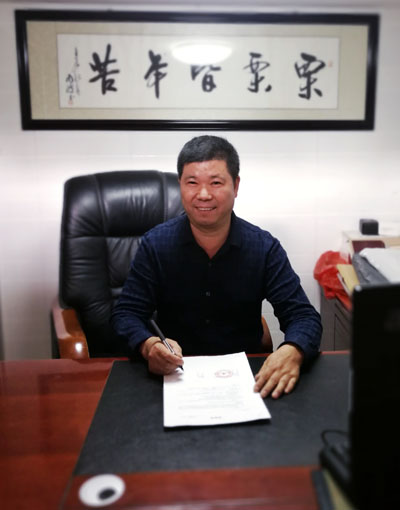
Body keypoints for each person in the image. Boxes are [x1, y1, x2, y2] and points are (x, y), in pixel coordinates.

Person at [111, 135, 322, 399]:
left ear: (236, 185)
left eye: (216, 183)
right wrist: (149, 345)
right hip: (175, 376)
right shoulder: (156, 245)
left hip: (246, 381)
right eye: (192, 183)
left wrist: (293, 350)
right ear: (180, 185)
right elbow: (126, 314)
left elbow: (303, 316)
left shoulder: (264, 247)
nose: (203, 194)